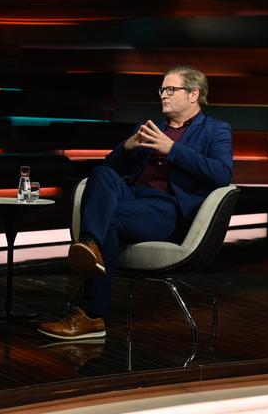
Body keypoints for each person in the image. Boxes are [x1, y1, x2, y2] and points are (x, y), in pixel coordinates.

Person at [38, 65, 233, 341]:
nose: (163, 95)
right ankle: (90, 244)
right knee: (101, 174)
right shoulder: (150, 128)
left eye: (170, 89)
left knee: (111, 220)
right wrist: (127, 147)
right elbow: (110, 168)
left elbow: (222, 174)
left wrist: (173, 150)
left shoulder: (215, 130)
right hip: (134, 197)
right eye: (162, 90)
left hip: (168, 209)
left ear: (193, 94)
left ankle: (91, 316)